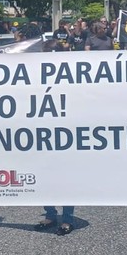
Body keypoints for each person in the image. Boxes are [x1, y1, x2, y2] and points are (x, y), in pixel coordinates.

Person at [35, 39, 75, 234]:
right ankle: (50, 214)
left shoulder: (70, 74)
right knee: (42, 176)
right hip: (42, 133)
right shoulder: (35, 74)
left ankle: (67, 218)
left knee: (66, 177)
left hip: (64, 134)